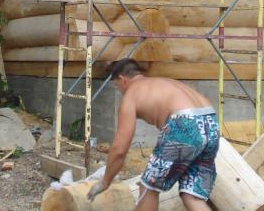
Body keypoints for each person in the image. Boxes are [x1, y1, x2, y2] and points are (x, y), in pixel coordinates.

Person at [86, 58, 219, 210]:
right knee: (192, 194)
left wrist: (105, 181)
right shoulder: (162, 82)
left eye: (117, 86)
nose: (120, 91)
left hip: (185, 123)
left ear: (122, 79)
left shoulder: (131, 95)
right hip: (210, 121)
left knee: (148, 188)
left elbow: (119, 149)